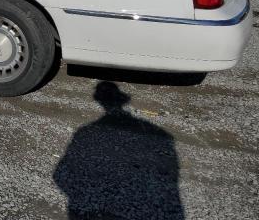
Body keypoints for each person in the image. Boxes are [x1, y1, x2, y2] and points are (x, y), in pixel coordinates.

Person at [54, 81, 184, 220]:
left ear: (98, 99)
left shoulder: (86, 131)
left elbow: (60, 174)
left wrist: (81, 194)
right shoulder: (159, 134)